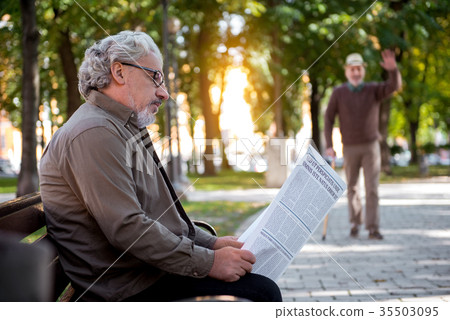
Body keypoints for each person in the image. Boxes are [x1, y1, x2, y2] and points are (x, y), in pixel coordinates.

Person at [39, 31, 281, 302]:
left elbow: (156, 214)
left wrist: (211, 244)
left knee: (258, 283)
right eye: (155, 76)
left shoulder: (119, 127)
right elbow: (128, 228)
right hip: (126, 289)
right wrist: (209, 262)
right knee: (261, 292)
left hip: (142, 274)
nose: (164, 93)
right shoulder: (94, 132)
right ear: (119, 72)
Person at [324, 50, 401, 240]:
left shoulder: (373, 89)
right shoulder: (338, 92)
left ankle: (373, 227)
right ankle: (354, 224)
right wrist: (328, 144)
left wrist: (393, 70)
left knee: (372, 187)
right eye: (352, 69)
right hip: (349, 147)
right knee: (352, 187)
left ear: (363, 71)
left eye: (359, 69)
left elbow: (394, 86)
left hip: (371, 146)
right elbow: (328, 118)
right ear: (347, 72)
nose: (356, 72)